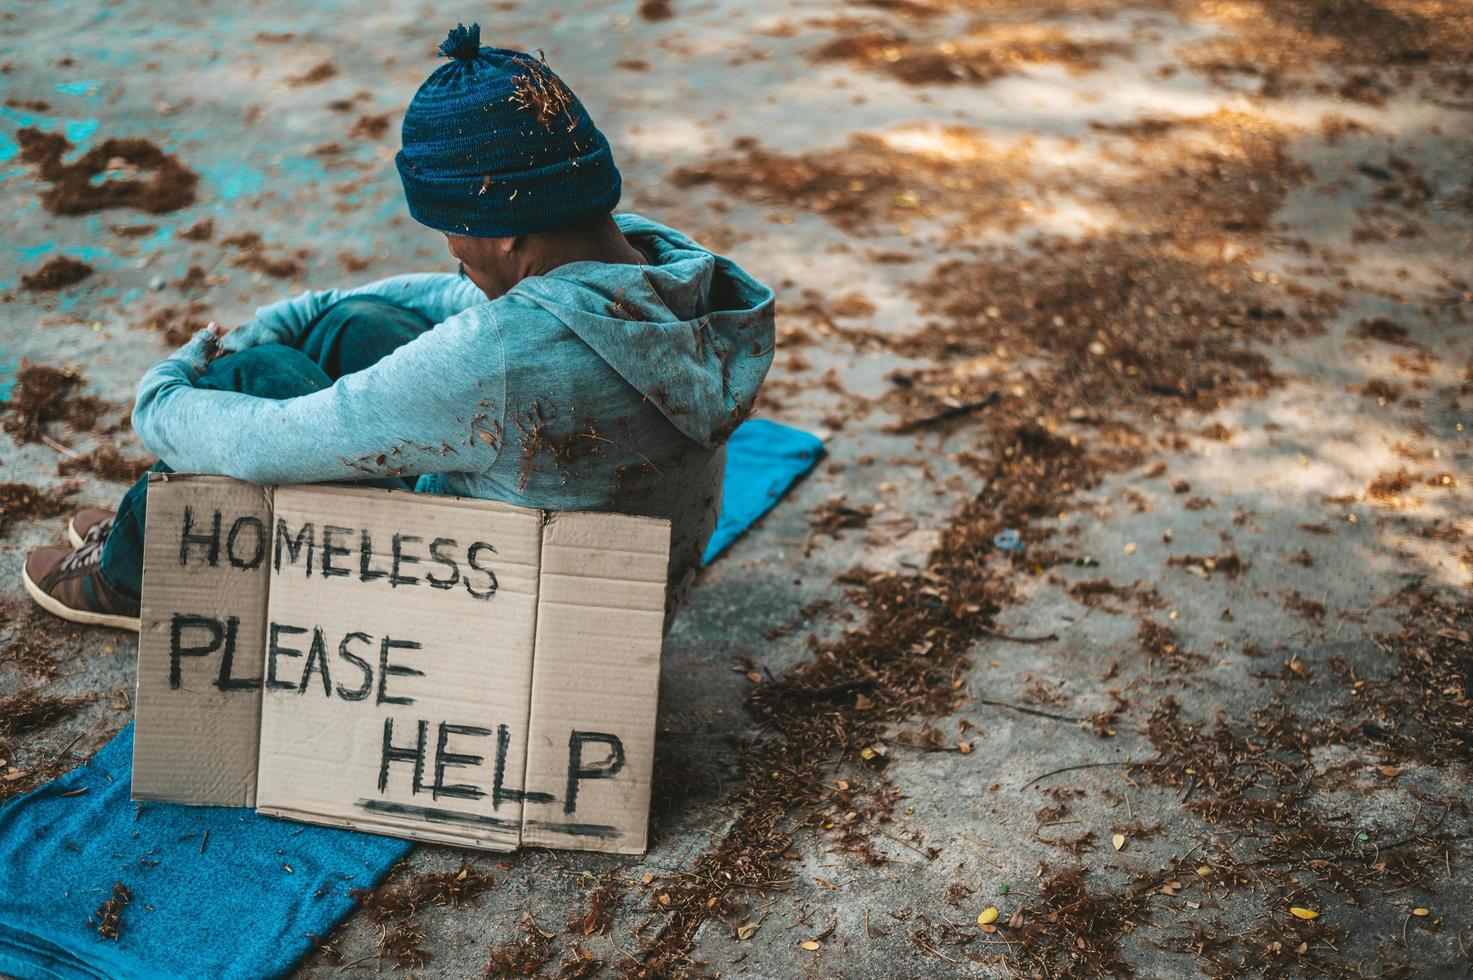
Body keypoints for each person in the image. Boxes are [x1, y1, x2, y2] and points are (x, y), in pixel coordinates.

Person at [22, 24, 774, 634]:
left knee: (246, 384)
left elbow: (269, 440)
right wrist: (305, 310)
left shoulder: (500, 358)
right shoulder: (668, 268)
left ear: (506, 235)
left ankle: (128, 572)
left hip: (504, 613)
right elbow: (453, 304)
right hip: (627, 594)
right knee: (356, 325)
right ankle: (137, 526)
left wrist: (162, 389)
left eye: (455, 237)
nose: (451, 255)